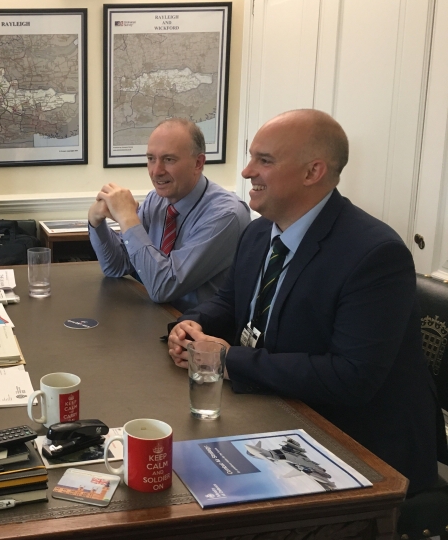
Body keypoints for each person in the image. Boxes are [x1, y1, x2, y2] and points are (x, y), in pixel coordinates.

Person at [168, 109, 443, 495]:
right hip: (277, 412)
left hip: (360, 449)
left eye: (264, 160)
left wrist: (229, 359)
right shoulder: (258, 233)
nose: (247, 172)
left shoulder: (374, 255)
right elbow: (229, 304)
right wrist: (192, 324)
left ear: (312, 172)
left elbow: (351, 378)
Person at [88, 118, 250, 311]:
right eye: (151, 159)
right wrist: (95, 222)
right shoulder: (155, 201)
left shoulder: (225, 215)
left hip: (197, 333)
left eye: (169, 159)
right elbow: (116, 266)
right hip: (156, 319)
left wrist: (128, 219)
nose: (156, 171)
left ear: (198, 163)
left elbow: (163, 288)